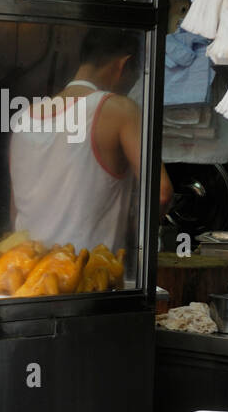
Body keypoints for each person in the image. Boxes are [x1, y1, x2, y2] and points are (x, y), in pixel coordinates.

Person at [10, 28, 174, 251]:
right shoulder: (119, 110)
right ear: (123, 65)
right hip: (86, 275)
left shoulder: (25, 117)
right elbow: (161, 193)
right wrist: (136, 237)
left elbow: (16, 209)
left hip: (27, 272)